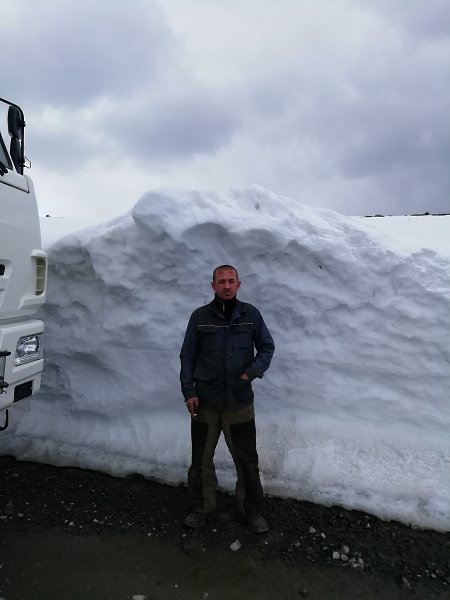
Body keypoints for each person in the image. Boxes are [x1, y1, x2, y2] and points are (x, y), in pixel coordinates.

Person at [180, 265, 275, 533]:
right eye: (221, 281)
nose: (226, 285)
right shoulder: (200, 317)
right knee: (201, 461)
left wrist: (250, 373)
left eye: (231, 281)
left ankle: (250, 510)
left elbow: (267, 347)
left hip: (239, 403)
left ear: (238, 284)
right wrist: (189, 391)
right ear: (213, 286)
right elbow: (187, 355)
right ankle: (202, 507)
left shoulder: (250, 315)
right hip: (205, 402)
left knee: (247, 461)